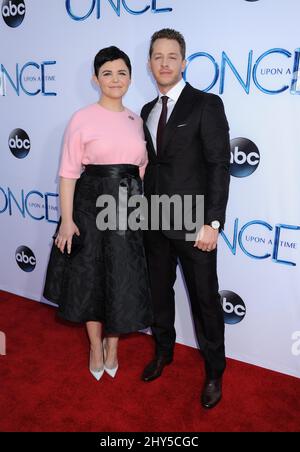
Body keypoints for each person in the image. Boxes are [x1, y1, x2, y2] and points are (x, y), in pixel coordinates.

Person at [43, 46, 152, 381]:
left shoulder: (137, 119)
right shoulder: (82, 118)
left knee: (121, 279)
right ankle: (94, 345)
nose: (115, 79)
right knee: (90, 278)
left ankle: (113, 345)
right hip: (89, 207)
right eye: (107, 73)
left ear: (131, 78)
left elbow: (141, 170)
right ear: (95, 78)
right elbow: (68, 172)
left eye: (121, 73)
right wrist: (67, 219)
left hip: (126, 211)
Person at [141, 29, 230, 409]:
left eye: (172, 56)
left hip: (196, 226)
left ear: (183, 61)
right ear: (149, 63)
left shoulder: (206, 104)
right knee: (159, 294)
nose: (164, 63)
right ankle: (164, 351)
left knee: (205, 301)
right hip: (154, 220)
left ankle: (214, 372)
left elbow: (218, 166)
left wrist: (213, 223)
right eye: (157, 56)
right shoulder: (147, 110)